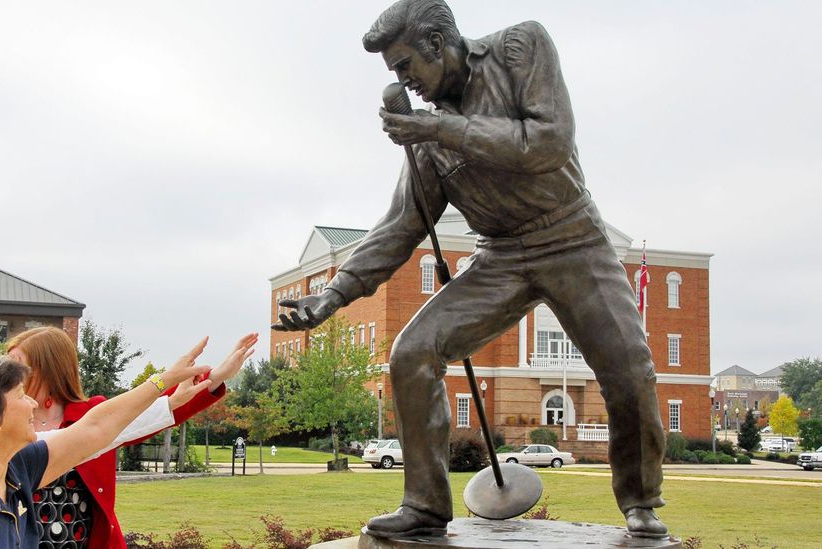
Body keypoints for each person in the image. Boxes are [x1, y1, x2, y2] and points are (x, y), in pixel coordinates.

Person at [273, 0, 666, 539]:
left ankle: (641, 502)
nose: (405, 81)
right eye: (396, 73)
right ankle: (425, 507)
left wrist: (441, 130)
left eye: (407, 64)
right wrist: (333, 296)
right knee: (411, 352)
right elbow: (400, 227)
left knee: (629, 371)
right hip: (500, 256)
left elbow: (547, 143)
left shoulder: (519, 48)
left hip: (573, 238)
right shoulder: (426, 139)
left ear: (438, 44)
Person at [0, 339, 245, 547]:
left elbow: (97, 429)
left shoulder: (17, 469)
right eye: (21, 395)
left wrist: (163, 381)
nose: (33, 404)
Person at [6, 326, 256, 549]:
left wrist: (216, 377)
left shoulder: (91, 417)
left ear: (47, 369)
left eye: (15, 365)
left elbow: (151, 411)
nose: (4, 374)